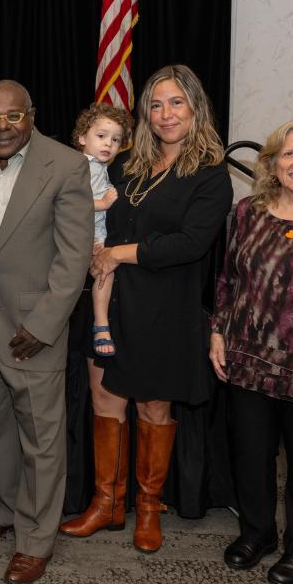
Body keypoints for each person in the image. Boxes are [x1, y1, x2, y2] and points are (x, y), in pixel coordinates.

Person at [62, 65, 233, 552]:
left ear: (196, 107)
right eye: (156, 105)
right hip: (110, 301)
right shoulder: (126, 162)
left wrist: (119, 252)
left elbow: (190, 243)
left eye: (176, 102)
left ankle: (149, 507)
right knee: (104, 401)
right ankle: (106, 504)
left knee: (154, 406)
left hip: (165, 307)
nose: (165, 114)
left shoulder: (210, 173)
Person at [0, 80, 93, 584]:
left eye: (13, 116)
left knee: (42, 438)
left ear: (31, 115)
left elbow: (75, 258)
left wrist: (45, 323)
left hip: (34, 330)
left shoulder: (67, 166)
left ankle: (35, 539)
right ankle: (5, 506)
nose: (3, 127)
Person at [210, 116, 293, 584]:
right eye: (289, 153)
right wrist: (218, 331)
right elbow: (228, 279)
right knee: (251, 454)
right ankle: (257, 532)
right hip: (247, 358)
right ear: (272, 163)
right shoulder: (248, 212)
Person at [71, 103, 134, 357]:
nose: (108, 144)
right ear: (82, 138)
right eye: (101, 136)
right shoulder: (81, 166)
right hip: (87, 233)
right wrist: (104, 203)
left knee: (106, 273)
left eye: (116, 140)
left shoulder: (100, 167)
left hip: (98, 234)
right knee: (104, 274)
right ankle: (101, 324)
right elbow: (73, 201)